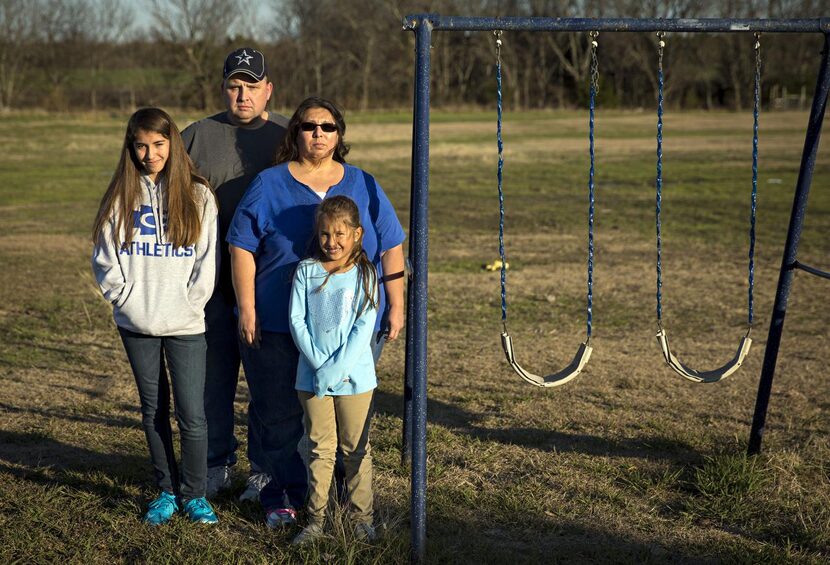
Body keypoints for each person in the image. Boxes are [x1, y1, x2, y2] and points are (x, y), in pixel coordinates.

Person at [227, 96, 406, 529]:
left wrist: (396, 304)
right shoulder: (270, 184)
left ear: (339, 134)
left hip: (351, 330)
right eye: (309, 126)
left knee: (346, 424)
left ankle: (346, 502)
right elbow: (242, 245)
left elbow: (392, 243)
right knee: (278, 415)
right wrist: (247, 306)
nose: (318, 134)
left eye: (328, 127)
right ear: (296, 132)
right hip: (278, 323)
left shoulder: (363, 183)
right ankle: (280, 496)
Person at [91, 107, 219, 525]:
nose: (150, 153)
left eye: (159, 144)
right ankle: (166, 490)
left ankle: (195, 494)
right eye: (141, 145)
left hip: (184, 323)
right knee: (153, 411)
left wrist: (190, 303)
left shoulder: (198, 195)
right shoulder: (121, 196)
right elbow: (105, 258)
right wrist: (123, 297)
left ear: (173, 144)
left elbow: (206, 260)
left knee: (192, 415)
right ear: (131, 146)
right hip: (136, 323)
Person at [181, 47, 288, 502]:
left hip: (272, 285)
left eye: (251, 86)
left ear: (268, 89)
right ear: (224, 88)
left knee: (270, 387)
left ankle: (266, 469)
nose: (242, 95)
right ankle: (216, 464)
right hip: (209, 284)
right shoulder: (196, 136)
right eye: (233, 85)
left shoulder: (289, 134)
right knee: (213, 382)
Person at [288, 196, 380, 544]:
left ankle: (361, 519)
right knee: (318, 449)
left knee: (355, 449)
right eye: (325, 234)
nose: (332, 242)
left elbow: (363, 327)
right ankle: (315, 521)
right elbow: (297, 321)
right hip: (311, 378)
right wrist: (318, 367)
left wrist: (335, 370)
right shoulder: (306, 271)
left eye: (340, 234)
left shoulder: (365, 275)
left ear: (356, 234)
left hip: (355, 380)